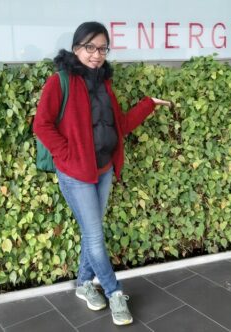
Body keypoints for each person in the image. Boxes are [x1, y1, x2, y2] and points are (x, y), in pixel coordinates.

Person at [32, 21, 172, 326]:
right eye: (90, 47)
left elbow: (118, 125)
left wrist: (149, 105)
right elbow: (41, 125)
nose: (96, 54)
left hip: (104, 170)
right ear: (76, 48)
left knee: (90, 233)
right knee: (95, 235)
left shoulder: (105, 84)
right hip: (76, 173)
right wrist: (68, 154)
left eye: (102, 48)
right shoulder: (60, 81)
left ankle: (83, 284)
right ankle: (114, 291)